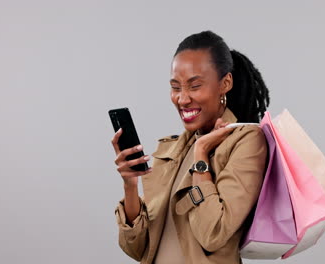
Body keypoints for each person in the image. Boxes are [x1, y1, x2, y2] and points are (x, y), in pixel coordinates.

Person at [111, 30, 270, 264]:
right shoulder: (172, 149)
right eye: (176, 87)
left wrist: (202, 157)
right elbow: (138, 248)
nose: (182, 99)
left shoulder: (246, 142)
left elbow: (213, 234)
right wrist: (130, 185)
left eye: (194, 86)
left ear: (225, 83)